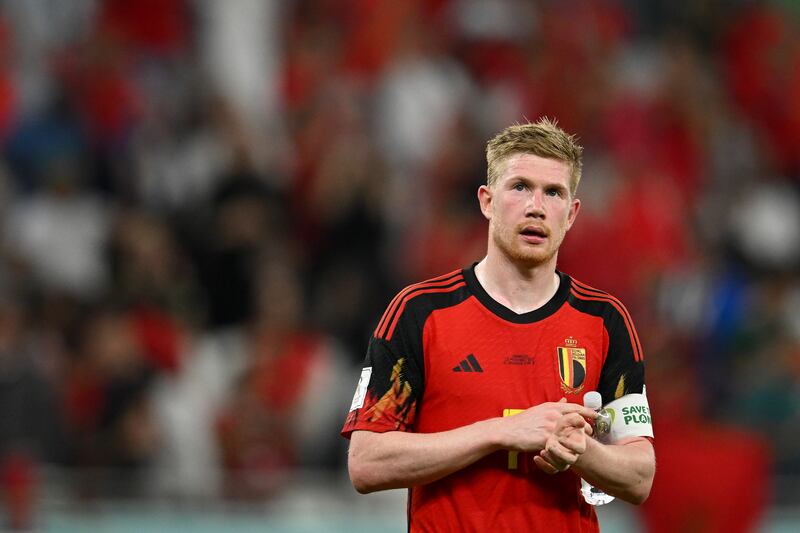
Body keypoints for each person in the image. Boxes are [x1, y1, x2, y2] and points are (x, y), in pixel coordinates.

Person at [341, 118, 656, 532]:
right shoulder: (419, 312)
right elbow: (366, 463)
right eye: (520, 186)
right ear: (487, 201)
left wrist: (580, 451)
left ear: (572, 213)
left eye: (554, 192)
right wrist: (499, 431)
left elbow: (640, 475)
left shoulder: (605, 320)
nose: (536, 207)